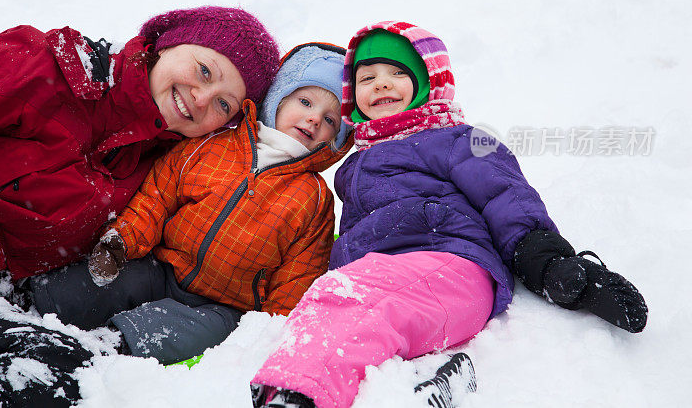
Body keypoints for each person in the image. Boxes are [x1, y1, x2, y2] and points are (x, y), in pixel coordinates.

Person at [0, 42, 352, 407]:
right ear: (274, 102)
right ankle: (30, 305)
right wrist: (123, 241)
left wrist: (270, 330)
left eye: (330, 118)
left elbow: (299, 276)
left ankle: (112, 346)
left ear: (339, 139)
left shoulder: (313, 200)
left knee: (189, 327)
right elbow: (157, 199)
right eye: (305, 100)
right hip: (157, 263)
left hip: (222, 302)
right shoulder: (207, 149)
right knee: (105, 282)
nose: (313, 118)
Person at [250, 22, 648, 408]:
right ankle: (420, 387)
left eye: (398, 72)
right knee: (351, 306)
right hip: (396, 285)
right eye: (367, 78)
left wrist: (549, 263)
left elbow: (505, 196)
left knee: (346, 298)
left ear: (430, 81)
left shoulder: (459, 139)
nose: (381, 83)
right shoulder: (355, 167)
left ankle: (294, 396)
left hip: (451, 268)